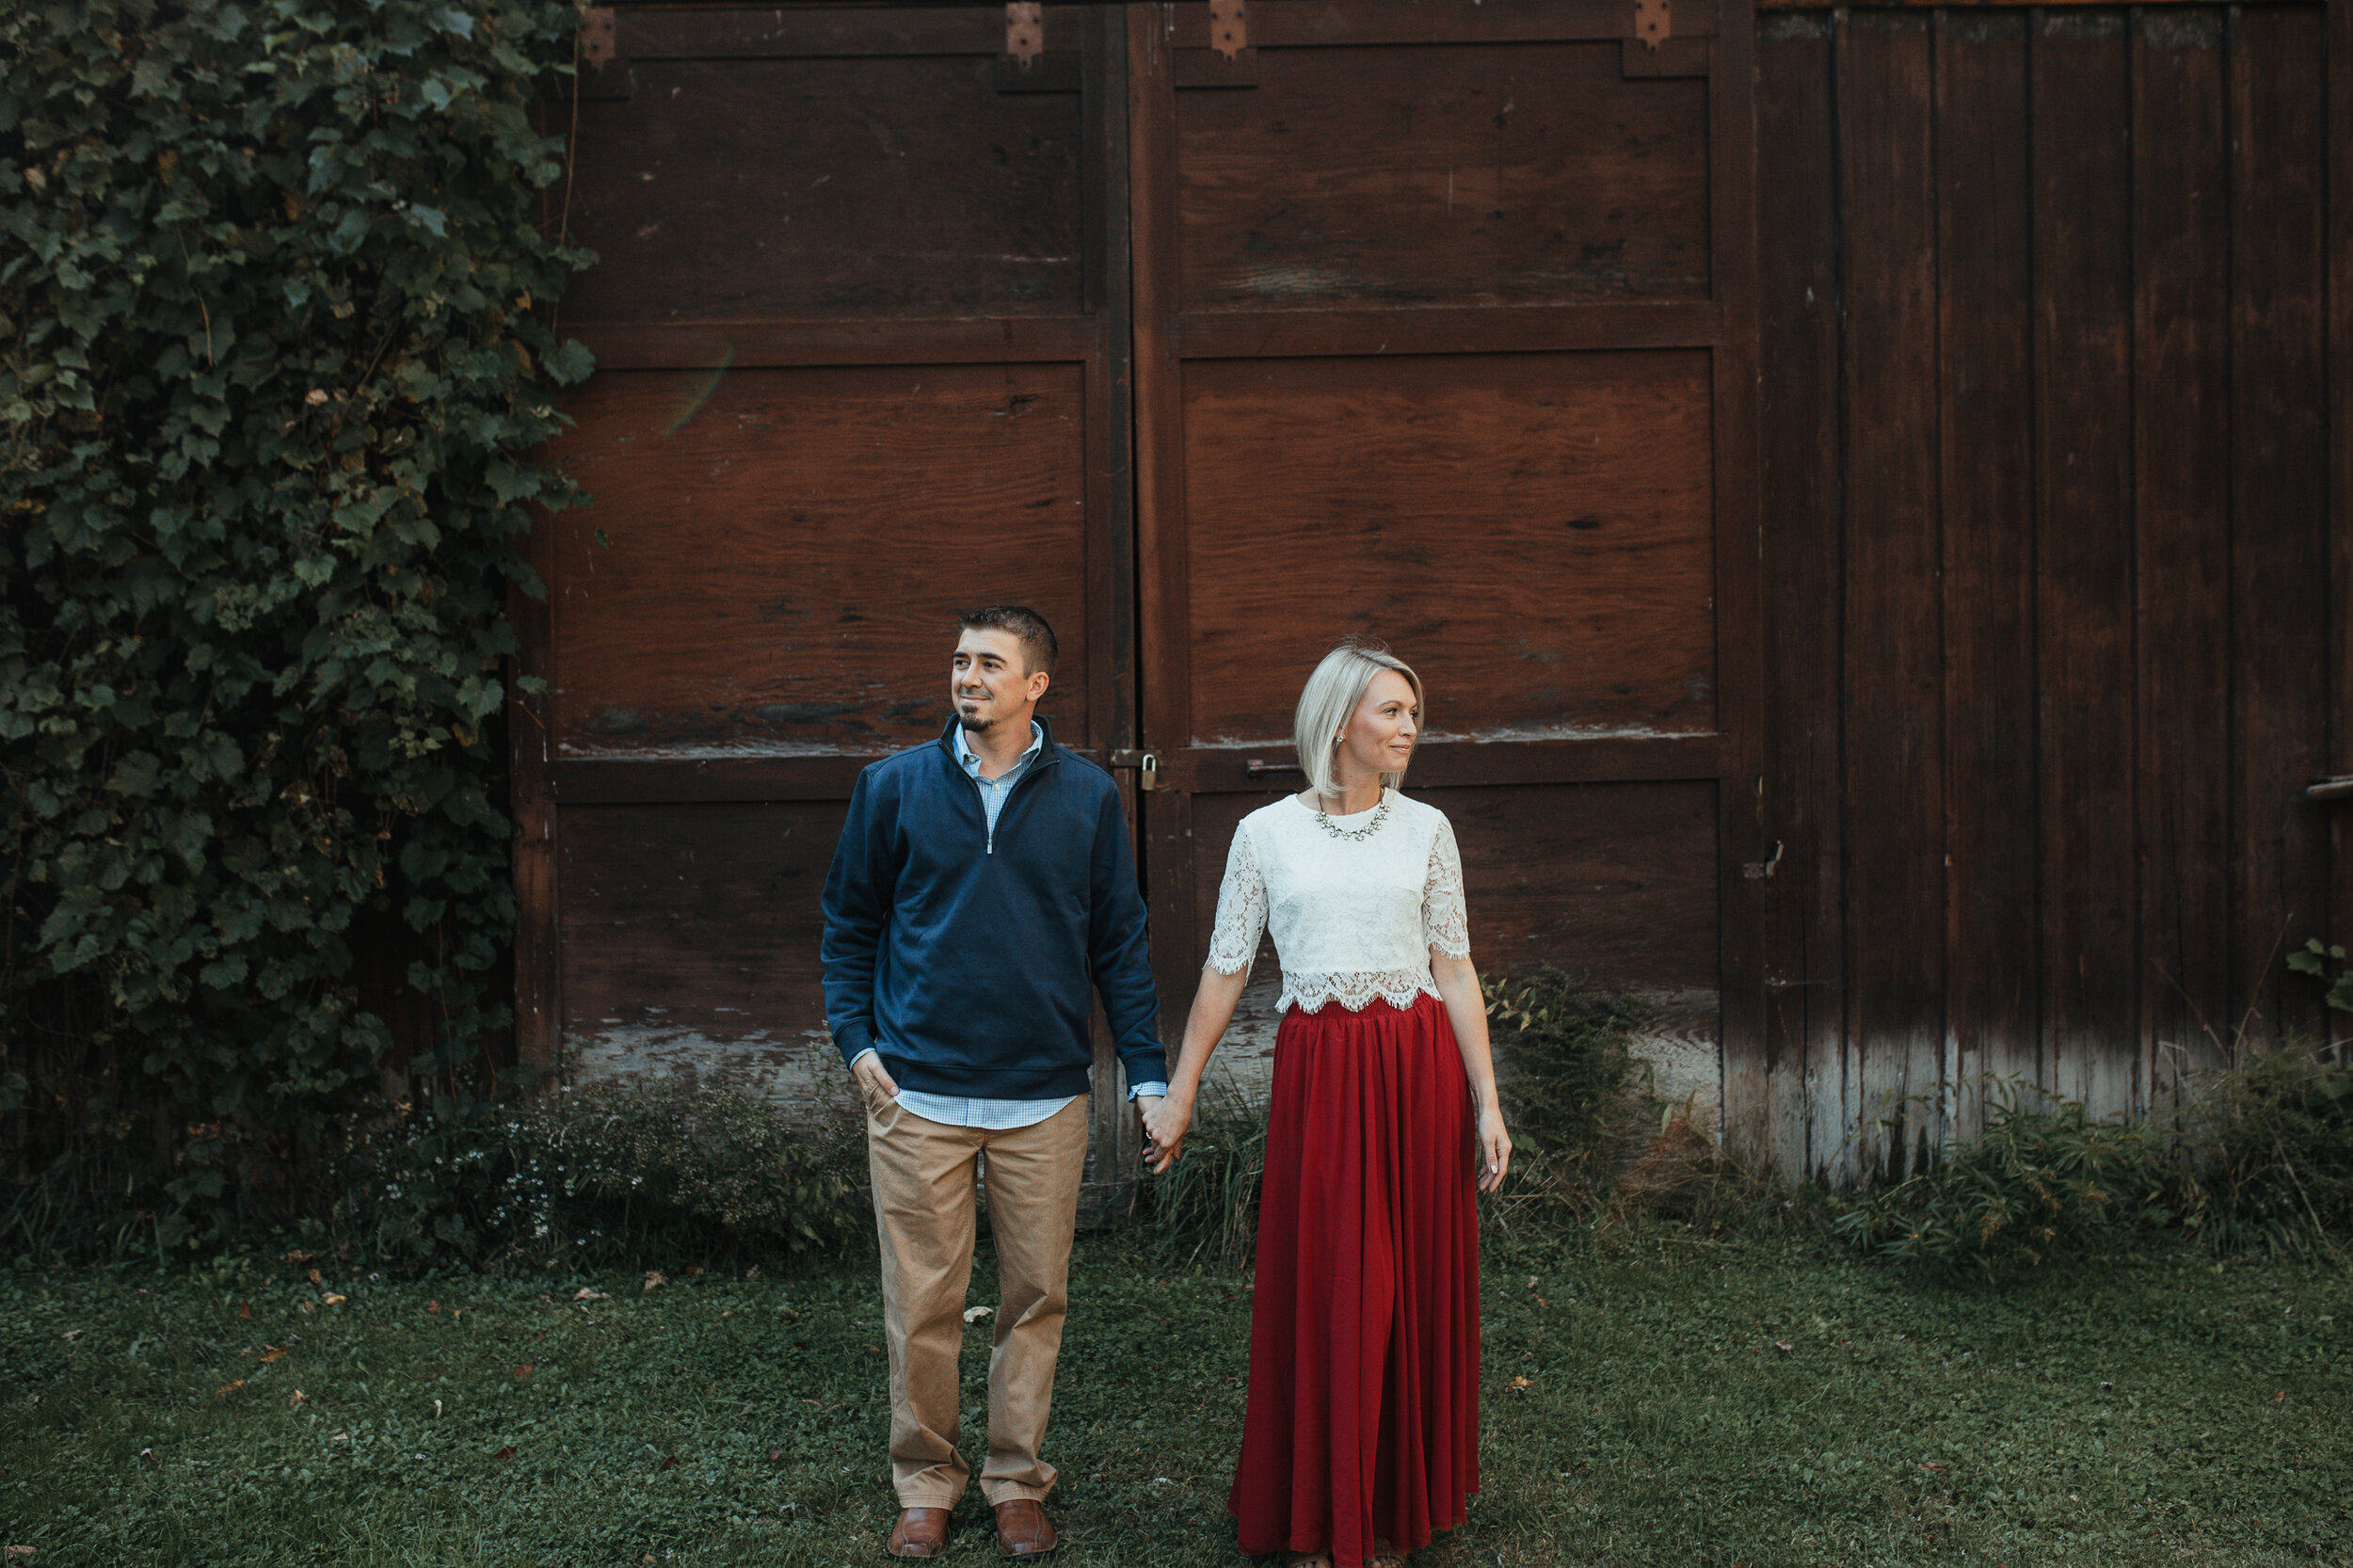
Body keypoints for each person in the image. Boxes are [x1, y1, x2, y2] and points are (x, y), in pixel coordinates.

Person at [1141, 638, 1512, 1568]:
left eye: (1413, 713)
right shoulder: (1265, 833)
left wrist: (1487, 1102)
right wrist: (1179, 1091)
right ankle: (1321, 1515)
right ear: (1338, 720)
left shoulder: (1427, 829)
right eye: (1392, 710)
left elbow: (1454, 969)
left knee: (1408, 1283)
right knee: (1336, 1285)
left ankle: (1390, 1510)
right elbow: (1225, 971)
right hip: (1323, 1077)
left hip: (1417, 1075)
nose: (1408, 727)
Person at [821, 605, 1168, 1560]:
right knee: (922, 1303)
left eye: (989, 663)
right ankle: (925, 1483)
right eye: (960, 660)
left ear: (1035, 685)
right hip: (915, 1092)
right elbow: (847, 926)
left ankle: (1017, 1480)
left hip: (1042, 1096)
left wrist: (1147, 1076)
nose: (968, 676)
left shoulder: (1089, 797)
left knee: (1032, 1298)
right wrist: (858, 1045)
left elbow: (1119, 945)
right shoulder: (890, 787)